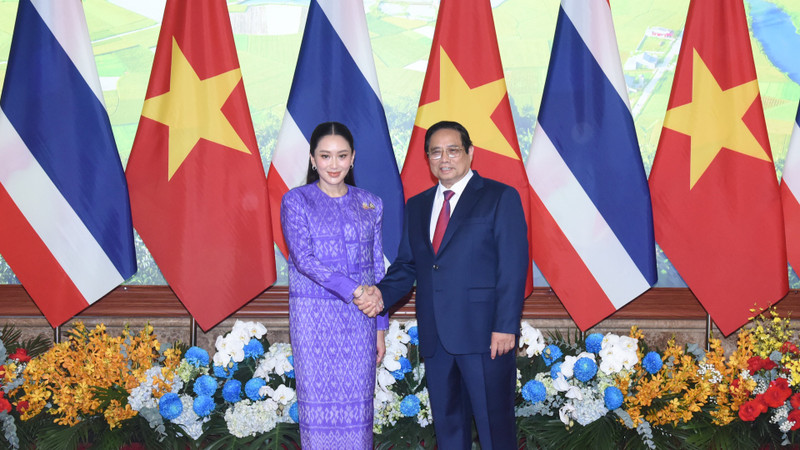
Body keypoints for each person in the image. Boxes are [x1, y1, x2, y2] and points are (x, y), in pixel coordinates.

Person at [356, 120, 528, 449]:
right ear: (428, 159)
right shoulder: (418, 205)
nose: (444, 158)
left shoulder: (499, 197)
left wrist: (506, 326)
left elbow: (512, 266)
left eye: (453, 150)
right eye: (436, 152)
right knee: (449, 432)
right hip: (436, 340)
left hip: (486, 338)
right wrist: (380, 293)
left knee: (496, 431)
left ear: (470, 153)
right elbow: (408, 265)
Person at [280, 121, 388, 448]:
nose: (333, 164)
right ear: (313, 159)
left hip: (361, 323)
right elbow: (304, 259)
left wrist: (380, 328)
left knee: (358, 414)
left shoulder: (371, 203)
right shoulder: (295, 201)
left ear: (353, 158)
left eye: (341, 156)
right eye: (325, 156)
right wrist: (356, 291)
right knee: (319, 415)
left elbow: (375, 269)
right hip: (314, 323)